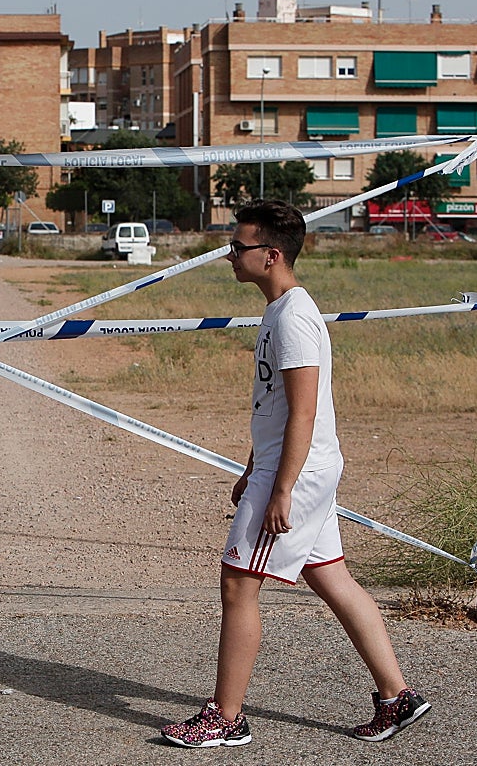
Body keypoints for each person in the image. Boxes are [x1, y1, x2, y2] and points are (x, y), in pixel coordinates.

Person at [161, 201, 431, 748]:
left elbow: (304, 410)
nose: (231, 255)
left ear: (272, 254)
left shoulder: (295, 318)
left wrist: (279, 486)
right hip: (291, 467)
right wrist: (252, 467)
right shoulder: (278, 310)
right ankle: (397, 697)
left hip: (297, 475)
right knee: (331, 576)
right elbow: (275, 407)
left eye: (239, 247)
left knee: (239, 582)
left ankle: (226, 718)